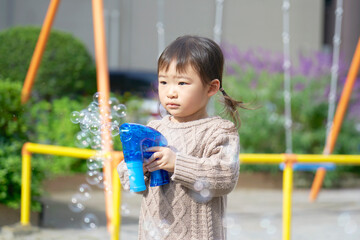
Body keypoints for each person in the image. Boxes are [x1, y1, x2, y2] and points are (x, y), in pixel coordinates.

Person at [117, 35, 246, 240]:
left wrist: (177, 163)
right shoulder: (154, 128)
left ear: (211, 87)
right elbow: (129, 178)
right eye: (163, 82)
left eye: (183, 83)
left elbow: (225, 178)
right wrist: (135, 168)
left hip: (198, 235)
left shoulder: (219, 131)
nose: (171, 92)